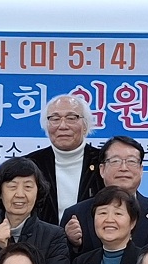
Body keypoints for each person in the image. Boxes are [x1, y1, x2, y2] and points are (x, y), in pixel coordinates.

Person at [62, 136, 148, 255]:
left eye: (131, 161)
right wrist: (72, 243)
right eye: (115, 161)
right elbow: (62, 262)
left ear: (141, 170)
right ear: (102, 170)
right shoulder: (76, 215)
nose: (124, 168)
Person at [24, 93, 104, 225]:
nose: (63, 126)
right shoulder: (30, 164)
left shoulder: (104, 161)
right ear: (47, 126)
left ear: (85, 125)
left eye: (71, 118)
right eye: (55, 119)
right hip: (41, 243)